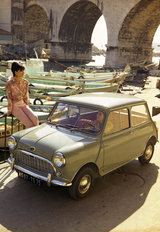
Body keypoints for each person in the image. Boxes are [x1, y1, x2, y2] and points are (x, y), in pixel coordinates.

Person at [5, 62, 39, 128]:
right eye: (21, 71)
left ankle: (34, 137)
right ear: (15, 72)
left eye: (23, 70)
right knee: (29, 124)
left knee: (35, 118)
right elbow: (9, 98)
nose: (23, 72)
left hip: (23, 104)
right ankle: (31, 137)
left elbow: (26, 95)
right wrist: (9, 111)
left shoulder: (25, 82)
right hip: (15, 106)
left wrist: (27, 105)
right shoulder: (9, 83)